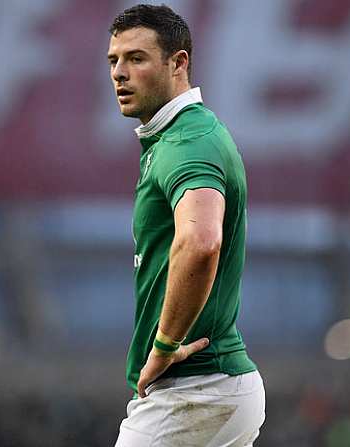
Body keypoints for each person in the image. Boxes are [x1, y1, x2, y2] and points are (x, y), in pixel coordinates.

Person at [107, 4, 266, 446]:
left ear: (178, 63)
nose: (120, 73)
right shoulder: (172, 138)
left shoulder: (187, 140)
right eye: (114, 60)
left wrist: (162, 347)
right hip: (213, 390)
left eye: (136, 58)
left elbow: (200, 241)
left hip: (194, 390)